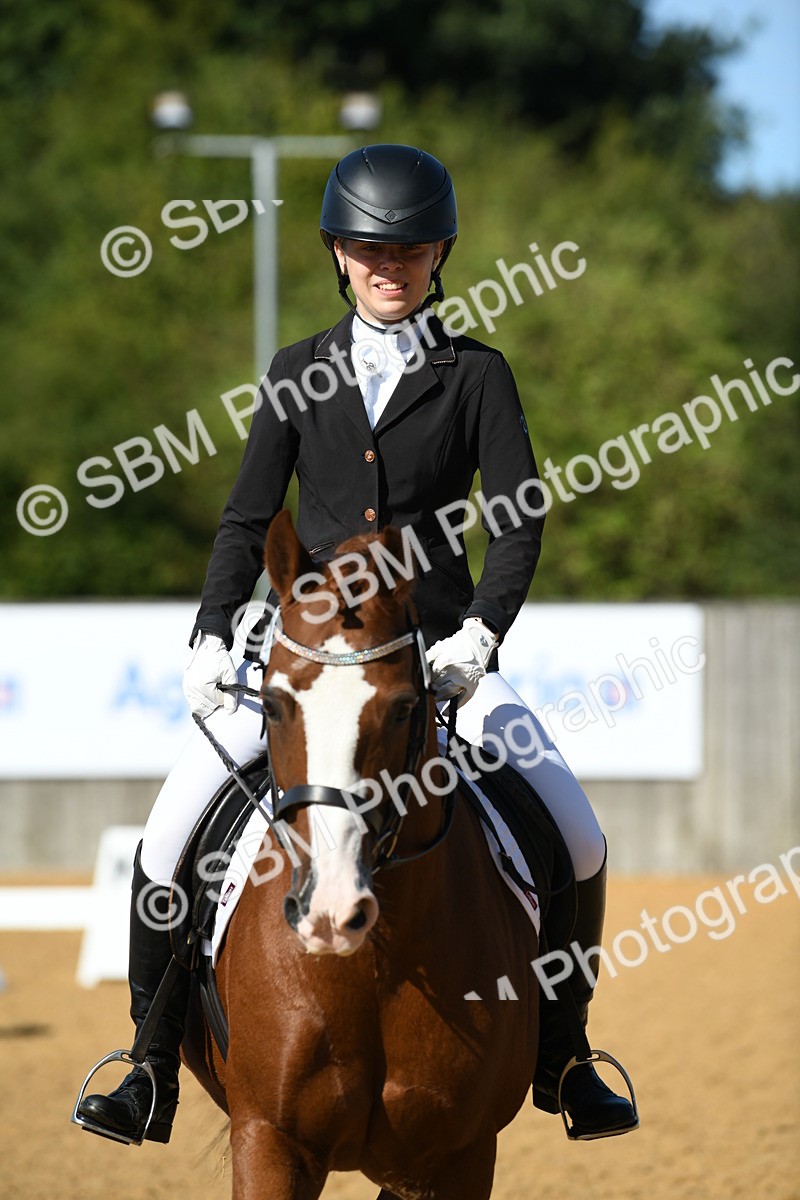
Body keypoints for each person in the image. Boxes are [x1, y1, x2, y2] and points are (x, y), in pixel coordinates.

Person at [75, 144, 637, 1146]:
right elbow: (249, 520)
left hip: (434, 661)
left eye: (412, 248)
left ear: (439, 255)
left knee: (578, 838)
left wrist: (477, 636)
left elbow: (517, 523)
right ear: (337, 252)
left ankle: (564, 1054)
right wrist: (210, 631)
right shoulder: (297, 372)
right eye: (370, 248)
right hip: (304, 667)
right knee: (167, 840)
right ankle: (148, 1065)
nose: (391, 264)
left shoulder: (476, 377)